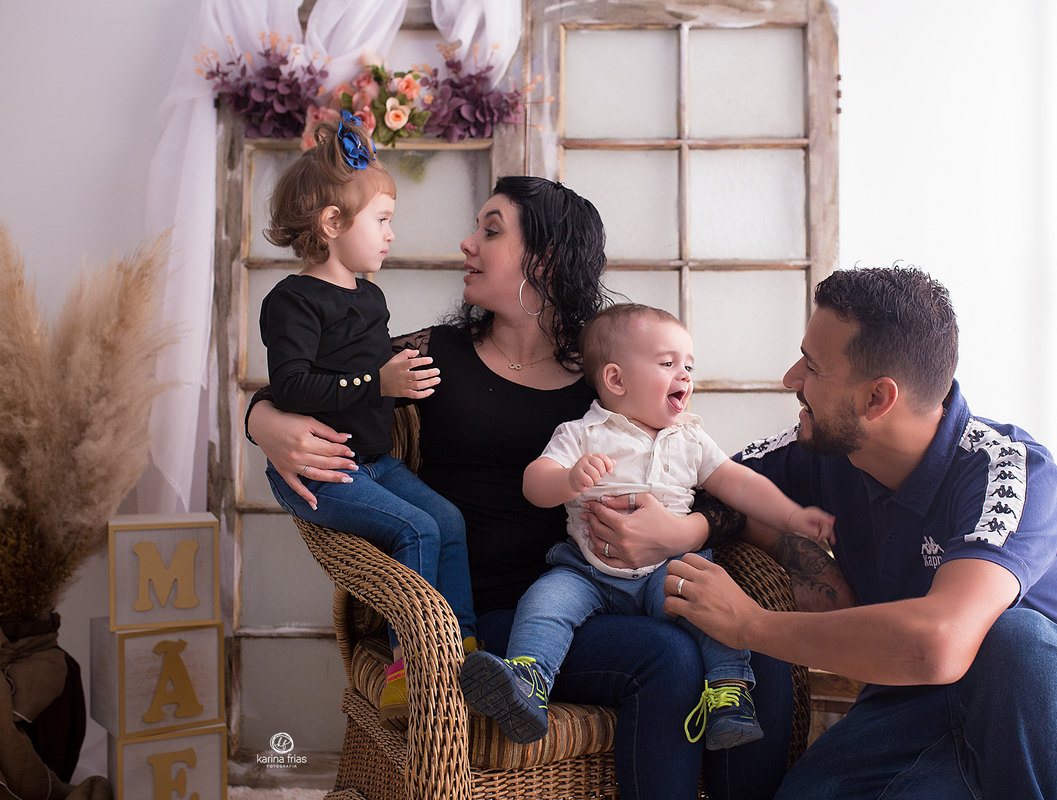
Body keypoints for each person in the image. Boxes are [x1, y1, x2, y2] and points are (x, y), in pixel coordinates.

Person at [246, 176, 794, 799]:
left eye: (491, 230)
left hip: (617, 588)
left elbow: (706, 475)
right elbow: (316, 380)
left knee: (760, 646)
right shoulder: (435, 356)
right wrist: (260, 419)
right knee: (666, 658)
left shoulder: (608, 373)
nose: (467, 243)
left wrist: (683, 531)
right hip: (493, 615)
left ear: (545, 258)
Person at [663, 267, 1057, 800]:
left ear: (876, 399)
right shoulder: (824, 450)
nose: (791, 377)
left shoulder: (1011, 472)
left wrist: (749, 625)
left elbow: (938, 643)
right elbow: (712, 484)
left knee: (1014, 638)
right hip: (912, 704)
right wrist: (800, 556)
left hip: (1047, 718)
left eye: (812, 367)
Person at [460, 303, 834, 750]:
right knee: (544, 601)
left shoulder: (690, 437)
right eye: (668, 363)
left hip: (666, 568)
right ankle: (527, 683)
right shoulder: (582, 433)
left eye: (689, 365)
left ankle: (728, 691)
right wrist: (567, 478)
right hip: (587, 571)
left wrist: (791, 516)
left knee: (705, 602)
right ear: (616, 379)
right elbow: (533, 484)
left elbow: (740, 483)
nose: (685, 375)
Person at [257, 111, 477, 731]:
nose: (389, 235)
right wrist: (378, 381)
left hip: (373, 463)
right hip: (320, 470)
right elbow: (293, 385)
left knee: (448, 520)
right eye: (381, 220)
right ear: (332, 224)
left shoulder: (370, 297)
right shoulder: (292, 300)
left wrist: (404, 385)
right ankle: (410, 676)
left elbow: (372, 381)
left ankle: (462, 659)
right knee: (416, 530)